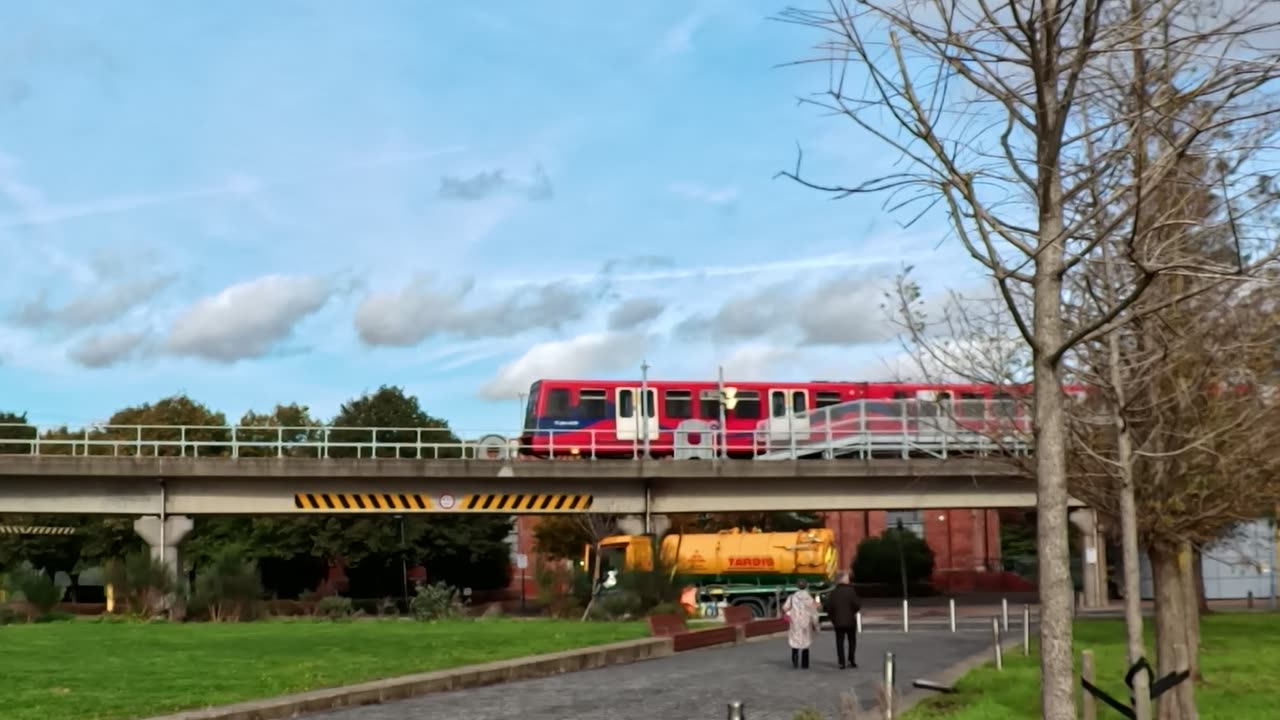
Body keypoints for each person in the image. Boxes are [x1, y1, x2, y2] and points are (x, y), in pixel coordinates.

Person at [823, 571, 862, 668]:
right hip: (850, 621)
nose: (848, 580)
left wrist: (833, 618)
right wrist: (852, 612)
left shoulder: (833, 592)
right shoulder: (851, 591)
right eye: (847, 578)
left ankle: (841, 662)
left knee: (839, 642)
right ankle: (851, 660)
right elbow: (857, 605)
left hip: (838, 622)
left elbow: (828, 607)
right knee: (852, 641)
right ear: (844, 580)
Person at [783, 579, 820, 669]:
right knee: (805, 642)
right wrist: (816, 624)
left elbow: (785, 607)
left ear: (797, 586)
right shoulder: (809, 598)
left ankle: (795, 661)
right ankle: (805, 664)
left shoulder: (792, 597)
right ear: (806, 586)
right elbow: (814, 611)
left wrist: (791, 613)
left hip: (795, 622)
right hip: (806, 623)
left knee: (795, 641)